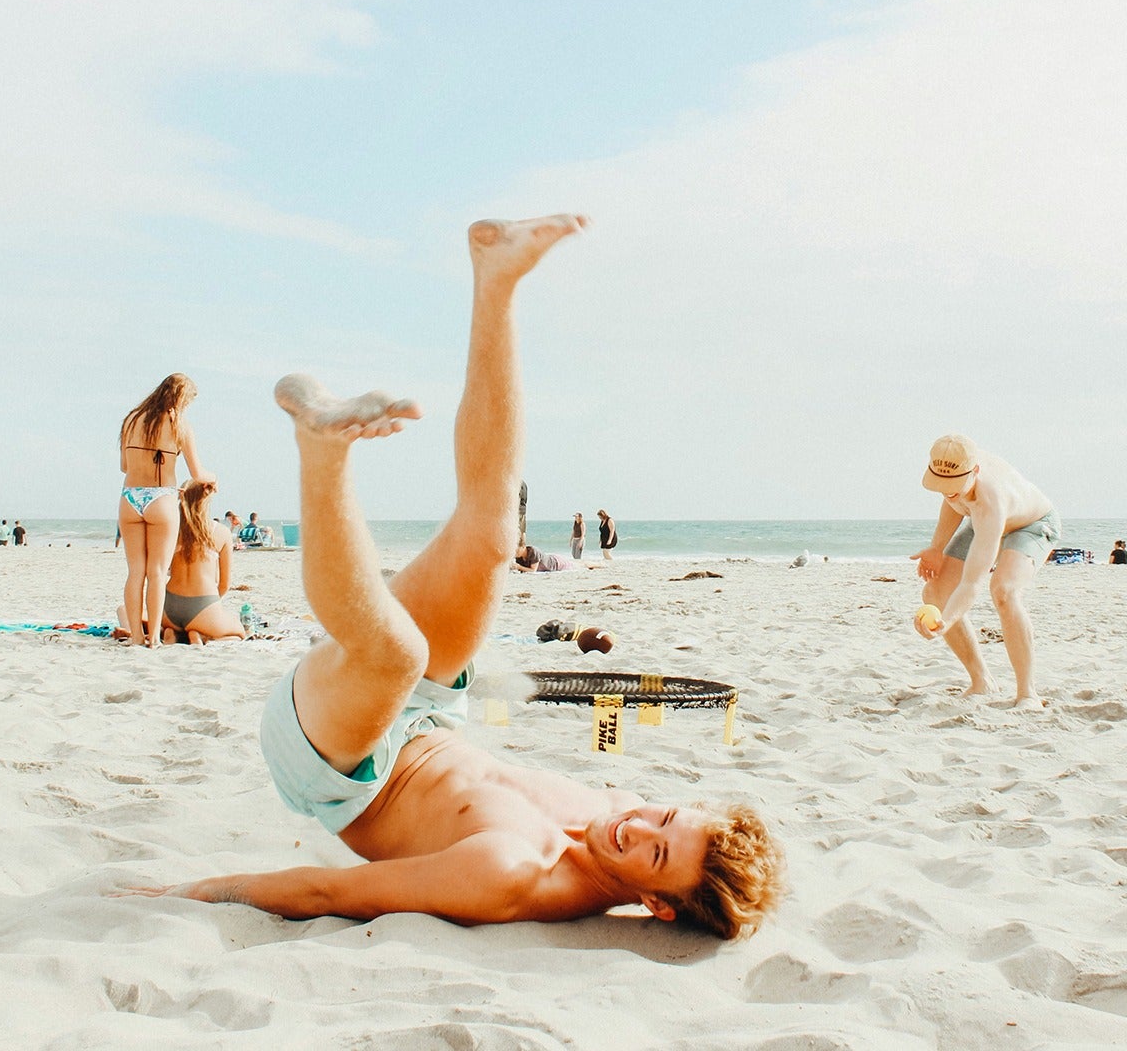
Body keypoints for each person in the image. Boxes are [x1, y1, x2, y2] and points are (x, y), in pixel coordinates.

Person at [117, 215, 782, 937]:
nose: (637, 824)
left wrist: (182, 894)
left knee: (395, 652)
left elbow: (331, 893)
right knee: (495, 535)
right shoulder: (617, 806)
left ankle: (322, 450)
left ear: (655, 904)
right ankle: (496, 279)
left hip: (341, 760)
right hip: (431, 713)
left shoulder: (511, 879)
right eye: (665, 816)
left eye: (655, 853)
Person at [911, 434, 1060, 709]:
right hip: (983, 521)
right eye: (942, 484)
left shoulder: (991, 500)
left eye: (953, 485)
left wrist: (947, 621)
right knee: (935, 591)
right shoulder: (956, 469)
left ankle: (1028, 694)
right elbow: (954, 500)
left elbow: (972, 582)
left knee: (1004, 591)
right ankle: (982, 681)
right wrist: (936, 548)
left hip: (1031, 525)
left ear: (975, 471)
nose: (947, 490)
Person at [119, 373, 208, 648]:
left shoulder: (132, 419)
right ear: (182, 399)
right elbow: (197, 473)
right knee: (157, 572)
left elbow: (124, 466)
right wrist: (212, 477)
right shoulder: (179, 424)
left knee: (135, 572)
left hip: (130, 497)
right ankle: (154, 638)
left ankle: (135, 636)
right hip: (161, 497)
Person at [161, 479, 245, 644]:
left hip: (168, 607)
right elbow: (224, 585)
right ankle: (200, 634)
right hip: (203, 604)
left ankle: (174, 632)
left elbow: (159, 571)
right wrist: (210, 606)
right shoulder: (221, 532)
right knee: (239, 629)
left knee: (174, 625)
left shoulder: (171, 529)